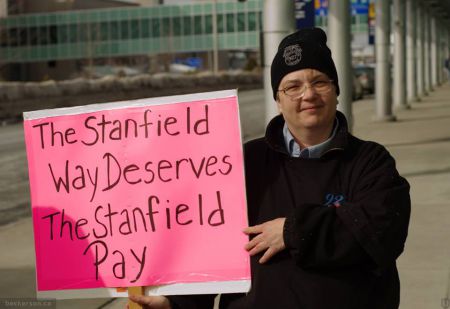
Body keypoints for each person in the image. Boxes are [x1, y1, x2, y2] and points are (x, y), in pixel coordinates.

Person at [129, 27, 411, 309]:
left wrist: (293, 231)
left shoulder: (370, 160)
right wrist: (175, 304)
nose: (308, 94)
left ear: (336, 91)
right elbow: (211, 245)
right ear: (278, 100)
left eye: (320, 82)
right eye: (293, 86)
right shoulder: (244, 162)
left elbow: (380, 231)